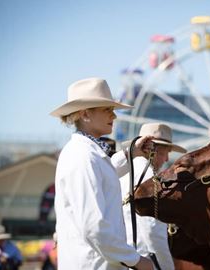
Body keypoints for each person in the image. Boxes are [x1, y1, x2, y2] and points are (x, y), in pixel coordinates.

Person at [50, 77, 153, 270]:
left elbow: (104, 174)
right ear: (85, 114)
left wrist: (132, 154)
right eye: (107, 110)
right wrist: (136, 260)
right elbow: (93, 226)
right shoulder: (83, 156)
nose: (114, 116)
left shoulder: (86, 153)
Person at [116, 123, 186, 270]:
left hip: (123, 257)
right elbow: (152, 229)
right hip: (143, 259)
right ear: (151, 149)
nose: (167, 159)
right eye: (164, 152)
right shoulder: (147, 175)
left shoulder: (123, 170)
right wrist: (167, 267)